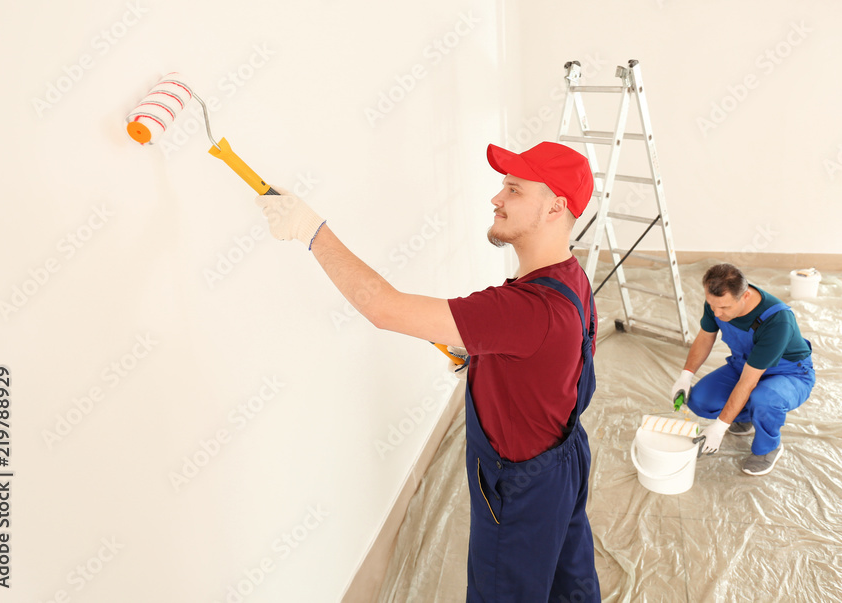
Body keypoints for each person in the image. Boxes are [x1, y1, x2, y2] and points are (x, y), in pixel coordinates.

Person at [256, 141, 602, 602]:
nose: (496, 198)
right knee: (570, 583)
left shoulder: (525, 309)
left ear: (555, 206)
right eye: (503, 186)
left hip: (522, 489)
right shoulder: (569, 277)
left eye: (514, 190)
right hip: (565, 460)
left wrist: (309, 230)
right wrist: (485, 362)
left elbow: (382, 307)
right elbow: (557, 363)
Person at [671, 263, 815, 476]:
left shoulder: (777, 320)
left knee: (766, 399)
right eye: (712, 306)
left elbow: (748, 381)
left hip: (788, 373)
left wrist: (720, 426)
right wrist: (685, 376)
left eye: (725, 308)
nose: (717, 314)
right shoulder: (717, 300)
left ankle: (768, 448)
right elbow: (704, 338)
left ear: (745, 296)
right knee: (700, 400)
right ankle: (744, 418)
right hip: (744, 363)